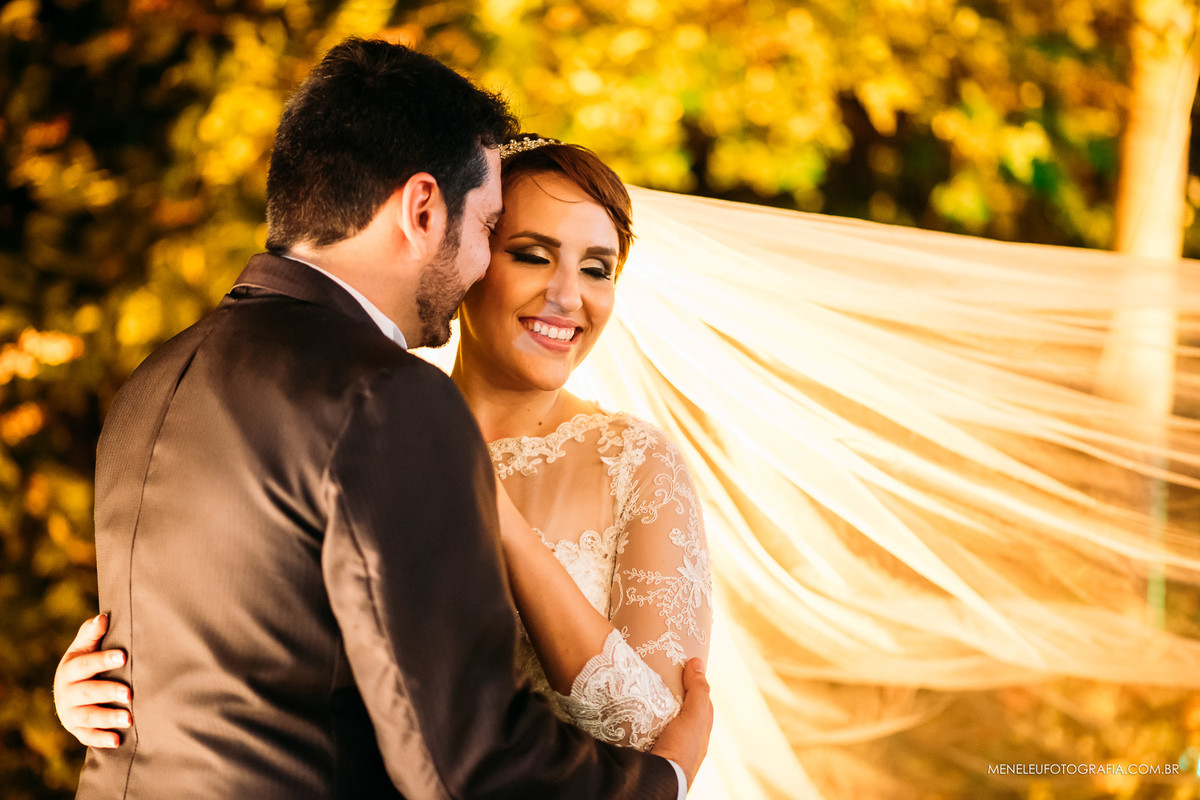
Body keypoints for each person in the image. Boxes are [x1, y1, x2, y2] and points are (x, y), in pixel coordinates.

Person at [62, 37, 710, 800]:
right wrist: (661, 781)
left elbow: (243, 638)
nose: (565, 293)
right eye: (501, 236)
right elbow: (458, 763)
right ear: (424, 209)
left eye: (597, 267)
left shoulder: (155, 380)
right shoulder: (387, 401)